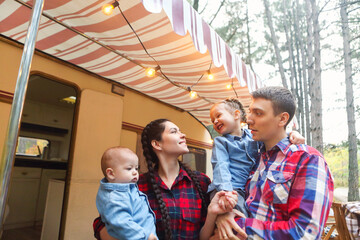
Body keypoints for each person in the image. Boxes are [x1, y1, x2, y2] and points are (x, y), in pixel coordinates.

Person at [213, 86, 334, 240]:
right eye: (250, 111)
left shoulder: (308, 159)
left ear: (283, 119)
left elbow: (305, 233)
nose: (248, 119)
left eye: (258, 113)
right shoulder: (255, 157)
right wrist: (223, 214)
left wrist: (237, 225)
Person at [93, 119, 242, 240]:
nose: (183, 135)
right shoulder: (136, 186)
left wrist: (212, 214)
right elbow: (103, 223)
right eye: (174, 131)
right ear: (157, 144)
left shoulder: (201, 181)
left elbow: (204, 237)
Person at [208, 98, 304, 218]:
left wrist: (292, 134)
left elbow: (272, 138)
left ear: (236, 114)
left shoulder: (252, 136)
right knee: (240, 218)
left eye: (218, 115)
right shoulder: (221, 142)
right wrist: (226, 193)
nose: (215, 121)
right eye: (212, 120)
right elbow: (220, 166)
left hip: (246, 189)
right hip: (227, 188)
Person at [96, 147, 157, 240]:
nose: (135, 173)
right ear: (111, 174)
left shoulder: (128, 188)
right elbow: (121, 223)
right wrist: (145, 236)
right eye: (129, 168)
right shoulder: (115, 197)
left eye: (136, 168)